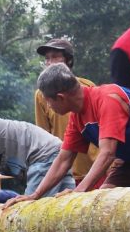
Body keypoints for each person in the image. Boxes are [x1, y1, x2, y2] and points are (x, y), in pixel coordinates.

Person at [7, 64, 130, 207]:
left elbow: (107, 153)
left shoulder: (107, 98)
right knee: (104, 202)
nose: (48, 107)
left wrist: (80, 191)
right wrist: (36, 194)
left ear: (61, 97)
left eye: (48, 102)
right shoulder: (77, 118)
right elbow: (64, 159)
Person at [34, 38, 99, 179]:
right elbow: (43, 135)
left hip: (94, 167)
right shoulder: (42, 95)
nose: (50, 62)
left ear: (68, 60)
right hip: (65, 171)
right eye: (47, 59)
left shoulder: (87, 86)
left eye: (55, 57)